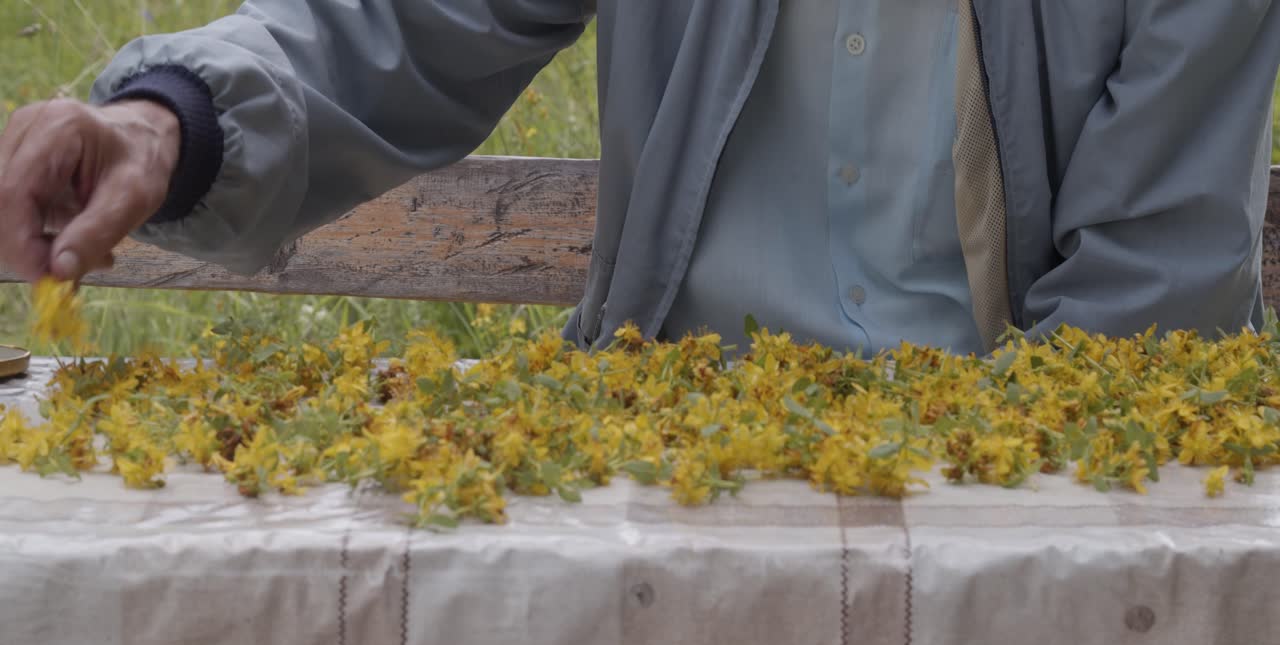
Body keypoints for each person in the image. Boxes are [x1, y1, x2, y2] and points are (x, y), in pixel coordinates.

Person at [0, 1, 1277, 358]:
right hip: (669, 478)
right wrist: (169, 125)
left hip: (1023, 502)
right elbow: (392, 27)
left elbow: (1153, 278)